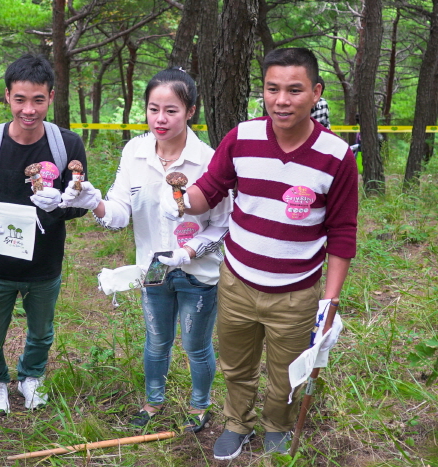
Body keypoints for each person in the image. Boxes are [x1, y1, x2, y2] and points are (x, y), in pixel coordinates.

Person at [162, 48, 356, 460]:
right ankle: (237, 423)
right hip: (237, 281)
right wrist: (180, 199)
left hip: (296, 291)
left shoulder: (336, 156)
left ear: (316, 92)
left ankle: (278, 426)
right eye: (273, 89)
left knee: (287, 372)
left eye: (294, 89)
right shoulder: (242, 138)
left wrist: (330, 301)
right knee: (236, 366)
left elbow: (342, 232)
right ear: (264, 91)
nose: (282, 100)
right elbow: (208, 191)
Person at [61, 67, 232, 432]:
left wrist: (189, 252)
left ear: (190, 111)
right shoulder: (135, 151)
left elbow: (223, 223)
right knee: (156, 341)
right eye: (154, 109)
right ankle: (152, 404)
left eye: (171, 110)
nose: (161, 118)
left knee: (195, 345)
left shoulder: (207, 159)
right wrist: (95, 202)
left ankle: (200, 408)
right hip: (152, 270)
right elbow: (119, 214)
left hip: (197, 273)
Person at [0, 54, 88, 414]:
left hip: (45, 262)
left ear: (50, 96)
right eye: (20, 99)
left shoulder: (67, 145)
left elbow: (82, 202)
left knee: (41, 330)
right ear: (7, 97)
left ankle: (31, 376)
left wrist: (59, 206)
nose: (28, 109)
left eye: (37, 100)